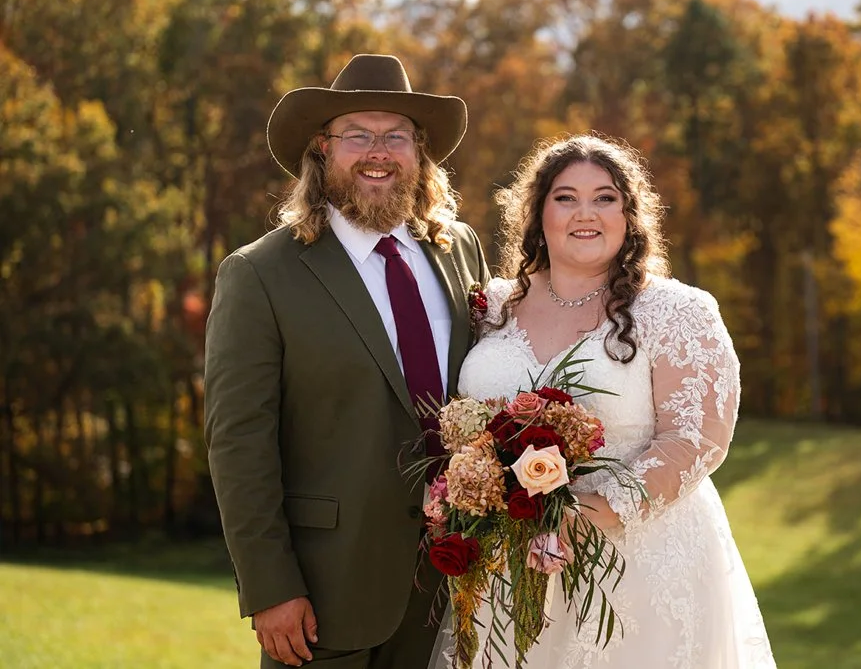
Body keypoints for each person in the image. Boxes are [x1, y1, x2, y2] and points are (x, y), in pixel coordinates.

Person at [433, 134, 776, 668]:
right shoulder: (493, 306)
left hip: (633, 566)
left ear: (630, 214)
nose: (585, 213)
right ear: (538, 214)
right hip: (506, 566)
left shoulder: (675, 311)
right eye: (565, 197)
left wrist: (586, 516)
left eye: (605, 197)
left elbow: (697, 440)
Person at [205, 54, 492, 669]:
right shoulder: (260, 273)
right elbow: (238, 444)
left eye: (395, 136)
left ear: (420, 152)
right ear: (321, 150)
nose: (377, 152)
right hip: (323, 593)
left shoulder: (458, 249)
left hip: (455, 579)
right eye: (356, 135)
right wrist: (270, 587)